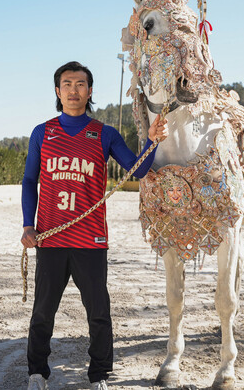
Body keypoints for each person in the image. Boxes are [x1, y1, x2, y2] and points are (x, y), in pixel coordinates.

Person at [21, 61, 168, 390]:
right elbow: (30, 180)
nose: (74, 90)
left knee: (99, 313)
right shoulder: (42, 132)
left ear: (90, 91)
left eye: (81, 84)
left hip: (91, 240)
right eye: (67, 84)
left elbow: (138, 170)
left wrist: (152, 141)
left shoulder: (105, 134)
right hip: (51, 238)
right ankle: (36, 373)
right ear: (58, 92)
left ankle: (99, 374)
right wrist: (27, 225)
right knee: (43, 312)